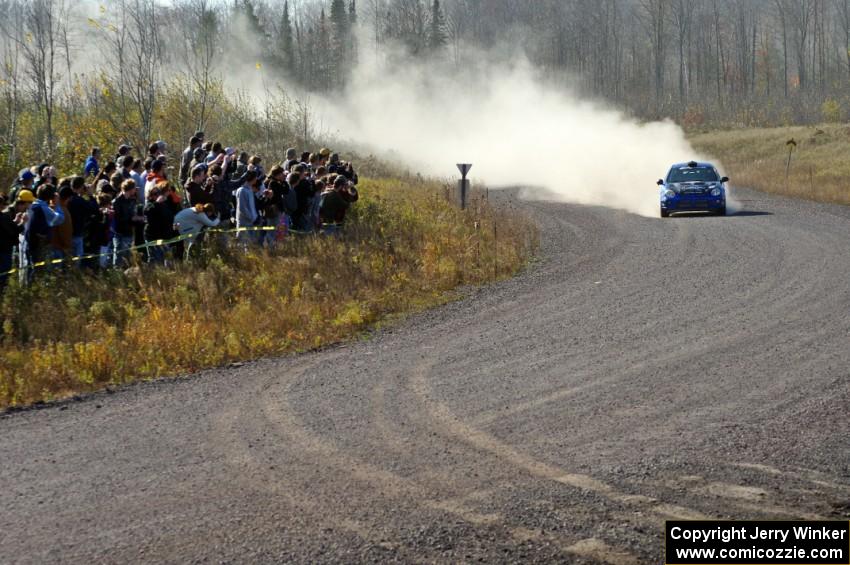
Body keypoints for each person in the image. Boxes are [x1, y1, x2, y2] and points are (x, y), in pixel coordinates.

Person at [23, 184, 65, 276]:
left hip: (29, 243)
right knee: (39, 271)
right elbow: (60, 219)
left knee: (30, 269)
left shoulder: (33, 205)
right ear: (51, 196)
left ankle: (29, 288)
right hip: (39, 245)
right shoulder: (43, 209)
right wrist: (57, 204)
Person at [0, 191, 31, 290]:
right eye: (3, 204)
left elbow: (7, 228)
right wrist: (22, 222)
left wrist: (14, 222)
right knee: (3, 276)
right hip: (4, 251)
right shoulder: (3, 216)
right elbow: (13, 231)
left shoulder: (4, 217)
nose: (4, 206)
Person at [67, 176, 98, 267]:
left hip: (67, 233)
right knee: (77, 259)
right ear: (81, 187)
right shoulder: (79, 201)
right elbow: (94, 209)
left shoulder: (68, 198)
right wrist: (91, 195)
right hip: (77, 233)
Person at [112, 179, 144, 267]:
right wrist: (132, 218)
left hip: (129, 232)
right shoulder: (117, 202)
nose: (136, 190)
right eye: (134, 188)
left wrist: (138, 219)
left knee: (127, 257)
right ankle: (117, 272)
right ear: (130, 189)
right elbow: (117, 219)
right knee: (119, 255)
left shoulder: (131, 201)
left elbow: (132, 214)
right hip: (119, 233)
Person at [143, 183, 175, 264]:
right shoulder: (149, 205)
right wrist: (157, 203)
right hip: (153, 237)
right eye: (154, 194)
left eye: (158, 193)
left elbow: (169, 217)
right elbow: (148, 211)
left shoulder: (164, 204)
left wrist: (173, 225)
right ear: (150, 195)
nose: (157, 195)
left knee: (167, 259)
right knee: (156, 260)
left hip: (165, 236)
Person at [49, 185, 75, 267]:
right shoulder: (63, 211)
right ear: (68, 198)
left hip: (50, 245)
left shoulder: (50, 207)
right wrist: (68, 246)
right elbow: (65, 231)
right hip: (59, 247)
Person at [235, 170, 259, 244]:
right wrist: (251, 217)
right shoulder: (242, 190)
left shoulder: (250, 189)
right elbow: (242, 207)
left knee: (250, 243)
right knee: (242, 242)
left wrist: (254, 217)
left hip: (251, 221)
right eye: (256, 177)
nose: (256, 179)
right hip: (244, 221)